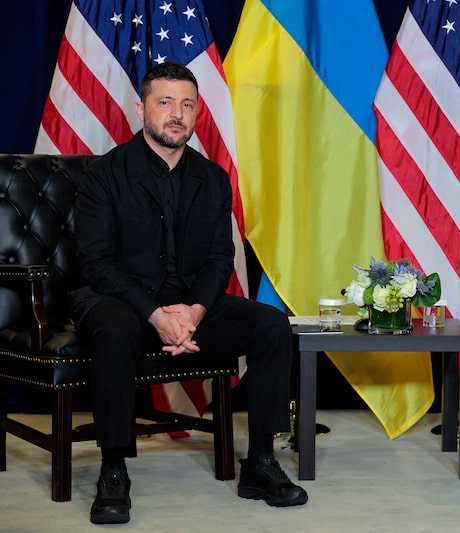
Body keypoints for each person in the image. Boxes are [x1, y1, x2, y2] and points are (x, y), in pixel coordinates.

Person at [71, 62, 307, 525]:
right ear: (141, 109)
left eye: (186, 104)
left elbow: (220, 259)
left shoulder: (214, 178)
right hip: (120, 301)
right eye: (164, 102)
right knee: (116, 330)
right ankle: (114, 468)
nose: (176, 114)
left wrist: (194, 312)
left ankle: (259, 461)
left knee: (272, 325)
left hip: (189, 305)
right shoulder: (104, 174)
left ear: (197, 112)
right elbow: (96, 263)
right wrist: (157, 315)